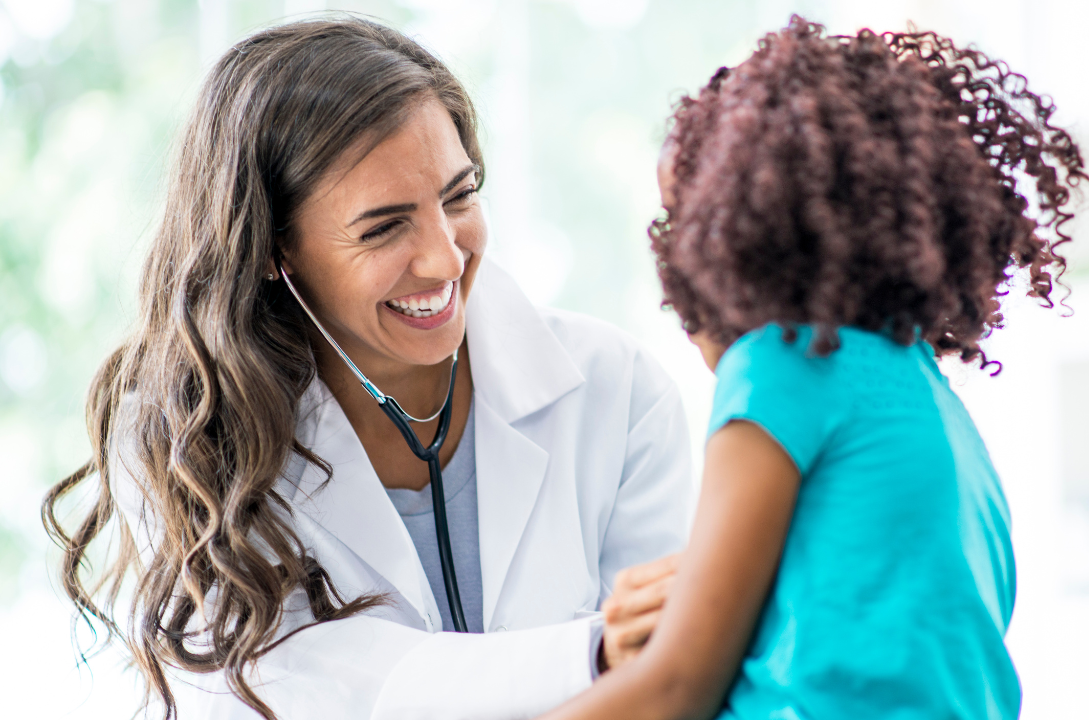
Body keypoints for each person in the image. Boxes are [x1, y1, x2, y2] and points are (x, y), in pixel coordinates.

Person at [41, 17, 691, 720]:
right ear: (271, 250)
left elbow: (672, 682)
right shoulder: (188, 438)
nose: (445, 258)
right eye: (383, 227)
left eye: (459, 196)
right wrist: (588, 655)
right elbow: (298, 688)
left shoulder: (616, 392)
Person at [543, 16, 1088, 720]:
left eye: (682, 222)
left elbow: (672, 693)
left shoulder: (784, 365)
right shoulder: (941, 417)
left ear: (739, 229)